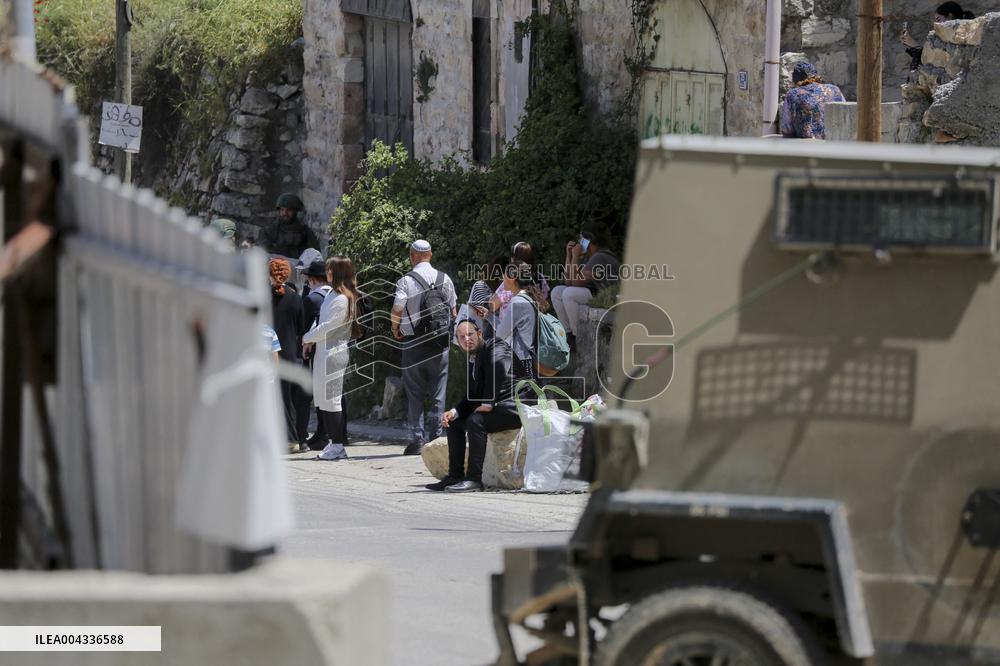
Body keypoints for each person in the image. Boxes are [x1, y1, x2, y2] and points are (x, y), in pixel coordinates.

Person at [427, 320, 522, 493]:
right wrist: (454, 412)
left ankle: (474, 480)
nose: (466, 340)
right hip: (498, 407)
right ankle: (455, 476)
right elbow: (473, 395)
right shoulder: (475, 358)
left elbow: (499, 367)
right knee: (455, 423)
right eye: (461, 337)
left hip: (515, 407)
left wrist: (488, 403)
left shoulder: (496, 345)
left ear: (479, 333)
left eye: (469, 334)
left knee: (476, 421)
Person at [391, 239, 458, 455]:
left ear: (413, 256)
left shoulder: (405, 281)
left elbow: (398, 307)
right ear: (430, 255)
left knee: (415, 392)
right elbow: (454, 311)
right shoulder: (444, 278)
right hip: (440, 344)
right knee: (438, 392)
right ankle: (436, 437)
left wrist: (395, 328)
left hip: (414, 343)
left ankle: (417, 440)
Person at [302, 256, 359, 461]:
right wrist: (309, 339)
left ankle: (337, 444)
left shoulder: (343, 299)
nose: (327, 273)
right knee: (323, 399)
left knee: (332, 400)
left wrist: (306, 338)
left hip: (334, 352)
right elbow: (320, 322)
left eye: (330, 270)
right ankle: (333, 443)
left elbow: (329, 327)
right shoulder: (332, 295)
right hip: (324, 350)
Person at [550, 226, 620, 347]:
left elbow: (576, 282)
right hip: (592, 291)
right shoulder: (588, 257)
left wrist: (576, 256)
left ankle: (578, 337)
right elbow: (568, 281)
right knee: (557, 291)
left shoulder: (600, 256)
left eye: (582, 239)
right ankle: (568, 335)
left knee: (569, 294)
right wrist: (569, 256)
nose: (579, 243)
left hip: (603, 295)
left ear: (590, 240)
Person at [268, 258, 308, 453]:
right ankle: (293, 438)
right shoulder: (296, 299)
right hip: (289, 351)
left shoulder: (263, 297)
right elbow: (301, 327)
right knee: (286, 396)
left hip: (266, 350)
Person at [300, 259, 333, 451]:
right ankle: (331, 433)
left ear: (312, 279)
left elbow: (304, 327)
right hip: (336, 347)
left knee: (320, 393)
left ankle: (323, 434)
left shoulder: (312, 299)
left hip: (316, 349)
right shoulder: (334, 295)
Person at [495, 261, 546, 382]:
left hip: (519, 360)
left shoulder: (517, 302)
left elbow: (500, 336)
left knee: (521, 399)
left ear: (512, 278)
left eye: (504, 275)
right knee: (530, 398)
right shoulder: (528, 297)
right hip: (528, 359)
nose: (502, 278)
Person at [779, 62, 845, 140]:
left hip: (808, 147)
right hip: (835, 144)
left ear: (795, 79)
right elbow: (844, 114)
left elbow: (787, 128)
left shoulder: (793, 94)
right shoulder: (834, 90)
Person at [901, 3, 975, 70]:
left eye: (938, 19)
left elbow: (933, 61)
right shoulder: (944, 38)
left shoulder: (960, 37)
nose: (936, 24)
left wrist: (914, 45)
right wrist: (912, 45)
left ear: (950, 16)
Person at [258, 193, 320, 259]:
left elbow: (315, 256)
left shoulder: (305, 232)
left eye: (289, 210)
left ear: (296, 211)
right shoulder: (269, 230)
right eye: (282, 210)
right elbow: (262, 251)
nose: (285, 213)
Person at [493, 242, 550, 311]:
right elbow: (545, 300)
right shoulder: (540, 277)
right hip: (534, 320)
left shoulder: (510, 280)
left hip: (512, 319)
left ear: (514, 259)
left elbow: (494, 305)